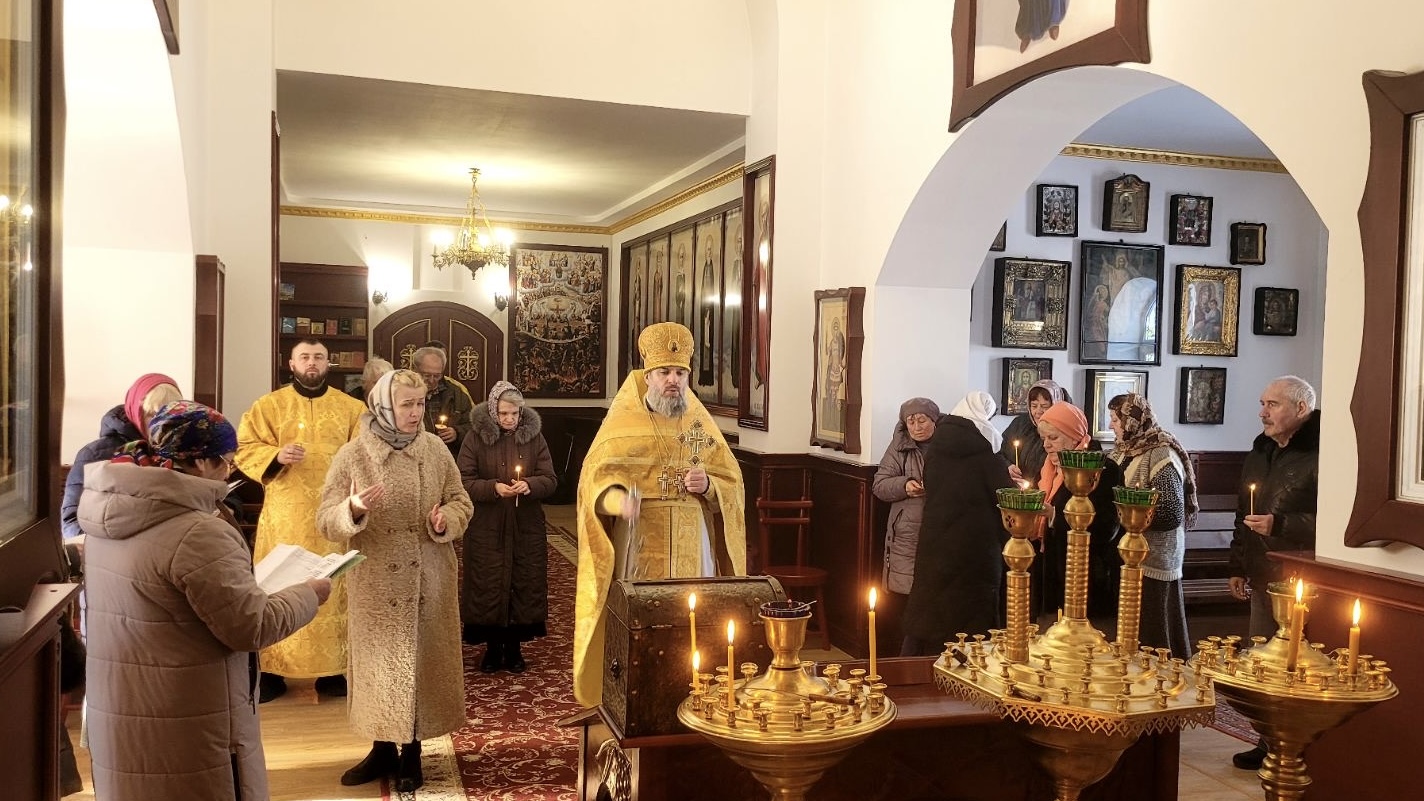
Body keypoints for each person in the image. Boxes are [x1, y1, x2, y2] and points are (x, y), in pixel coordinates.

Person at [80, 401, 329, 801]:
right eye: (226, 462)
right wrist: (309, 594)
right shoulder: (197, 532)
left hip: (126, 707)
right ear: (199, 462)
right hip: (189, 712)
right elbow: (251, 626)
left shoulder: (110, 510)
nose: (229, 472)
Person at [315, 369, 473, 793]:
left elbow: (461, 500)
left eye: (420, 403)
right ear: (383, 405)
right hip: (376, 580)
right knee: (380, 667)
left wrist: (446, 519)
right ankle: (382, 748)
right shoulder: (353, 454)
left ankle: (413, 752)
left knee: (421, 665)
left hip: (429, 576)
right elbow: (325, 519)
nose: (416, 412)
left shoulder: (435, 449)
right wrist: (352, 508)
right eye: (407, 404)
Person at [573, 321, 746, 707]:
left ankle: (692, 691)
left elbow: (731, 482)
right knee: (641, 619)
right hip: (639, 538)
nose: (673, 380)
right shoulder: (622, 423)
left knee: (694, 615)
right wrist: (619, 503)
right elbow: (594, 484)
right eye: (665, 372)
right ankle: (638, 695)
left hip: (692, 541)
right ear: (648, 375)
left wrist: (709, 485)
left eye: (680, 373)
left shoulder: (699, 423)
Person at [235, 338, 366, 702]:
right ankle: (273, 670)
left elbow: (365, 454)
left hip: (333, 517)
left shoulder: (351, 408)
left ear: (328, 363)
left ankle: (333, 670)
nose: (312, 363)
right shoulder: (269, 406)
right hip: (285, 518)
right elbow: (244, 447)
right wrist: (275, 455)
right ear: (291, 364)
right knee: (279, 585)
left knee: (334, 586)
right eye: (305, 357)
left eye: (319, 357)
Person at [1227, 376, 1319, 771]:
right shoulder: (1260, 451)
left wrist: (1280, 524)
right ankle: (1267, 741)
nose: (1263, 412)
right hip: (1262, 572)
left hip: (1302, 580)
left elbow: (1334, 520)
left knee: (1296, 664)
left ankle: (1295, 746)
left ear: (1301, 408)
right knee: (1262, 661)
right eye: (1263, 403)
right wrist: (1237, 564)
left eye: (1273, 404)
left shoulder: (1322, 452)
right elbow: (1242, 513)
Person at [901, 392, 1015, 655]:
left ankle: (921, 667)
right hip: (977, 548)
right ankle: (968, 673)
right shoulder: (986, 454)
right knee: (972, 621)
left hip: (936, 542)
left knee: (932, 611)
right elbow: (1005, 497)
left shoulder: (936, 448)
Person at [457, 380, 557, 674]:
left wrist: (530, 485)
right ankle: (491, 648)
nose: (510, 419)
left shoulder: (534, 437)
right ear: (492, 411)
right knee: (488, 583)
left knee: (522, 583)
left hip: (525, 525)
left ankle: (514, 648)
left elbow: (550, 479)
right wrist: (493, 488)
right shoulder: (475, 438)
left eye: (514, 413)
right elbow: (463, 480)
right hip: (487, 526)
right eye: (503, 414)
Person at [1107, 393, 1196, 660]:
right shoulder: (1120, 451)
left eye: (1115, 420)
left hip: (1154, 558)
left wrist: (1129, 513)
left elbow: (1171, 511)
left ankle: (1163, 676)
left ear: (1133, 422)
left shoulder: (1161, 453)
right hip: (1126, 555)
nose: (1111, 425)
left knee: (1153, 633)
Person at [61, 373, 182, 541]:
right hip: (108, 550)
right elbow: (71, 523)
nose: (161, 424)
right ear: (136, 412)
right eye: (151, 414)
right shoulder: (94, 454)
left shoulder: (182, 454)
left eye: (169, 415)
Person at [1033, 402, 1123, 626]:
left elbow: (1106, 527)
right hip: (1055, 573)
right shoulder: (1049, 469)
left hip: (1088, 576)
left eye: (1053, 438)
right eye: (1043, 438)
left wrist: (1054, 515)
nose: (1046, 445)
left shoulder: (1102, 469)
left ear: (1073, 436)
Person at [872, 397, 940, 647]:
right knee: (908, 598)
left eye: (922, 420)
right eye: (911, 422)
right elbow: (879, 485)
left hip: (939, 528)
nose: (917, 427)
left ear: (934, 420)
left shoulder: (946, 444)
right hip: (906, 534)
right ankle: (907, 654)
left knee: (936, 596)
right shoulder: (899, 446)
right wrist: (904, 485)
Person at [1001, 378, 1070, 484]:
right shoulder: (1019, 424)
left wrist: (1032, 485)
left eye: (1044, 406)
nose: (1038, 411)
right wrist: (1008, 466)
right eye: (1034, 406)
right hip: (1014, 487)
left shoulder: (1063, 432)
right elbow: (1000, 454)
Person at [412, 344, 474, 457]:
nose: (432, 380)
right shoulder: (404, 392)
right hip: (415, 456)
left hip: (448, 457)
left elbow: (473, 425)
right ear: (415, 370)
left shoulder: (457, 393)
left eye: (437, 376)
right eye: (426, 375)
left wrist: (457, 432)